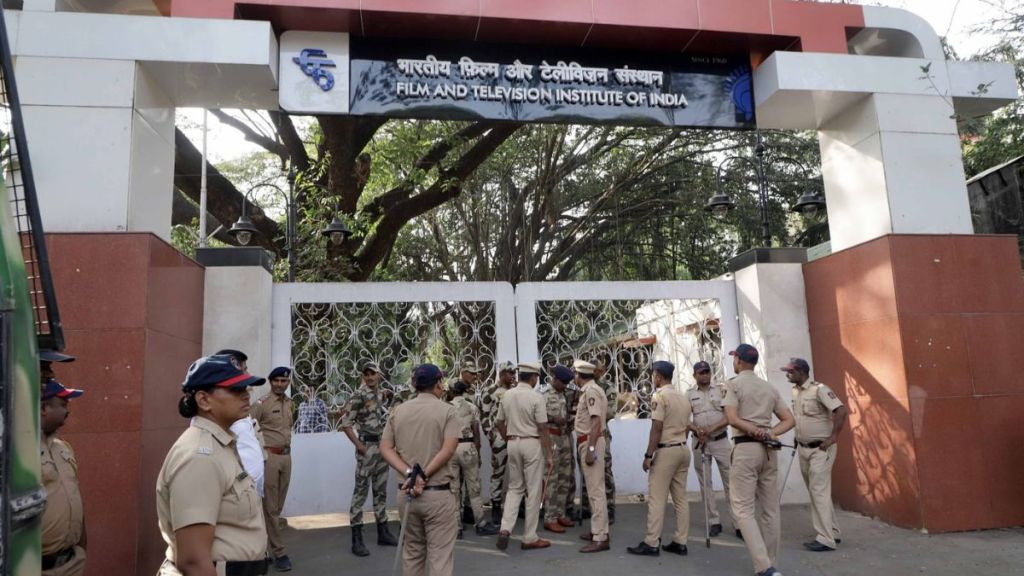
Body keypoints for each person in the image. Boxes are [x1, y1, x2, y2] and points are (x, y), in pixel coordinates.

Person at [156, 354, 268, 576]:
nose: (246, 395)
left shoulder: (221, 444)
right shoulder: (199, 456)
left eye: (246, 388)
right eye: (235, 389)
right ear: (204, 400)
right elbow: (194, 562)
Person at [380, 364, 460, 576]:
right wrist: (422, 475)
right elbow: (449, 448)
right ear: (438, 384)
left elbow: (385, 448)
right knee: (440, 556)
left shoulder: (398, 411)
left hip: (406, 495)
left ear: (414, 385)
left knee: (412, 553)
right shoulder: (448, 411)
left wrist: (409, 473)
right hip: (438, 495)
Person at [722, 344, 795, 576]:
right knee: (771, 509)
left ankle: (764, 567)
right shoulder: (768, 387)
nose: (734, 362)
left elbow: (732, 418)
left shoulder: (733, 385)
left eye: (735, 358)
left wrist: (755, 431)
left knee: (742, 510)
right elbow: (789, 420)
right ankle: (771, 563)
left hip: (745, 449)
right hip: (768, 451)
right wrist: (769, 433)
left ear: (740, 361)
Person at [627, 361, 692, 557]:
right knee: (681, 499)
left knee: (657, 498)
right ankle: (680, 541)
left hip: (667, 451)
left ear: (658, 376)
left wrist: (648, 455)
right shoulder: (682, 397)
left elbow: (657, 428)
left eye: (653, 375)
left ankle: (651, 542)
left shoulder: (660, 396)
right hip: (682, 448)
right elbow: (687, 425)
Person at [784, 358, 848, 552]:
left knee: (818, 490)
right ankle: (833, 532)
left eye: (791, 371)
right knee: (817, 491)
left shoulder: (819, 389)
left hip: (821, 449)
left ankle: (825, 538)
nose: (788, 374)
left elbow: (842, 410)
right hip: (804, 448)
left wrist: (833, 438)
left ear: (802, 372)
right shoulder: (795, 390)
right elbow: (802, 418)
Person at [494, 362, 553, 551]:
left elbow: (499, 422)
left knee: (515, 488)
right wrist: (549, 454)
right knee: (533, 491)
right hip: (531, 443)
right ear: (534, 378)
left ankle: (505, 529)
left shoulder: (507, 395)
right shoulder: (536, 397)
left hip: (513, 443)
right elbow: (543, 428)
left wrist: (508, 438)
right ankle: (529, 537)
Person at [341, 362, 398, 556]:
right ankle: (357, 539)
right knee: (360, 493)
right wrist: (359, 446)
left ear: (379, 375)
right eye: (366, 374)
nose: (369, 377)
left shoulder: (383, 394)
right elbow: (346, 424)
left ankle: (383, 532)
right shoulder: (358, 396)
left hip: (382, 448)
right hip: (367, 449)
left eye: (373, 374)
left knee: (380, 491)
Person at [40, 378, 87, 576]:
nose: (68, 410)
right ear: (44, 408)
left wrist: (82, 547)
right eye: (63, 404)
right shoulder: (18, 450)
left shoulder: (63, 448)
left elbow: (74, 494)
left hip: (71, 563)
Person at [250, 366, 295, 571]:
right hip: (269, 458)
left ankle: (264, 548)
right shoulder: (261, 404)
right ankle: (279, 552)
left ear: (288, 383)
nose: (280, 384)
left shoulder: (290, 403)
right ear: (270, 382)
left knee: (276, 507)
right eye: (276, 380)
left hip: (286, 457)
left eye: (283, 381)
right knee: (270, 508)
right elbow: (248, 428)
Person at [687, 360, 734, 537]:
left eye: (707, 371)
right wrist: (696, 430)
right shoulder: (689, 394)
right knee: (705, 483)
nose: (704, 375)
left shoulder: (721, 390)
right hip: (701, 443)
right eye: (701, 372)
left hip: (720, 441)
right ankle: (714, 521)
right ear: (695, 375)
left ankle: (738, 522)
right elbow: (685, 419)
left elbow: (729, 416)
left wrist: (709, 429)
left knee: (731, 482)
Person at [449, 375, 500, 537]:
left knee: (454, 489)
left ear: (451, 391)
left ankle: (456, 527)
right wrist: (477, 452)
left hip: (451, 447)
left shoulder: (446, 407)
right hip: (468, 446)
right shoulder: (471, 407)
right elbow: (477, 433)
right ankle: (480, 523)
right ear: (465, 391)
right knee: (474, 488)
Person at [216, 350, 266, 500]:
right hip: (238, 497)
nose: (246, 395)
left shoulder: (237, 412)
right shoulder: (200, 450)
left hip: (250, 495)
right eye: (236, 390)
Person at [574, 360, 610, 553]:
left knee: (596, 492)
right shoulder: (591, 390)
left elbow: (595, 421)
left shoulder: (591, 392)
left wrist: (590, 449)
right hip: (589, 440)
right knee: (595, 490)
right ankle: (599, 530)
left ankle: (601, 537)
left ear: (579, 375)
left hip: (590, 441)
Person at [479, 360, 515, 523]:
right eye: (509, 373)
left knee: (518, 471)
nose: (513, 375)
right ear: (501, 374)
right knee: (498, 471)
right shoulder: (490, 390)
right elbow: (483, 415)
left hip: (516, 435)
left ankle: (518, 506)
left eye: (514, 373)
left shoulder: (515, 391)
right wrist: (489, 434)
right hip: (499, 437)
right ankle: (495, 506)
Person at [542, 365, 575, 533]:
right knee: (551, 479)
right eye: (563, 383)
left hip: (565, 438)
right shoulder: (543, 395)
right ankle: (550, 517)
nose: (565, 386)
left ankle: (560, 513)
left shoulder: (565, 395)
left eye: (567, 383)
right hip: (551, 437)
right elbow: (537, 418)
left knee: (565, 477)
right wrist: (553, 418)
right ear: (555, 379)